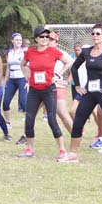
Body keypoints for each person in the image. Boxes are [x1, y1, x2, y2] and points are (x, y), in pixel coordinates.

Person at [60, 23, 102, 165]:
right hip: (89, 92)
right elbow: (74, 67)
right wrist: (78, 85)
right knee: (78, 121)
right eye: (93, 33)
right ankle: (73, 154)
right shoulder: (86, 51)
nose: (95, 36)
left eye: (98, 34)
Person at [17, 25, 73, 158]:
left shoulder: (53, 51)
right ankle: (30, 150)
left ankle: (62, 150)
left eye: (47, 37)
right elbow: (23, 64)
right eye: (42, 36)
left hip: (49, 89)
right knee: (29, 119)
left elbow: (69, 62)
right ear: (36, 38)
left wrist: (58, 75)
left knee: (52, 120)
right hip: (34, 90)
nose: (45, 39)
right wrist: (27, 76)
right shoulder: (30, 52)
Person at [2, 32, 28, 134]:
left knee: (23, 102)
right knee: (5, 102)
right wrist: (6, 80)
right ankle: (7, 122)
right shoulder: (9, 52)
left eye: (20, 40)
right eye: (16, 40)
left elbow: (27, 66)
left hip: (21, 78)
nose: (18, 42)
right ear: (12, 41)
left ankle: (28, 121)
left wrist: (27, 80)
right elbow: (8, 67)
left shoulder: (24, 52)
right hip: (12, 79)